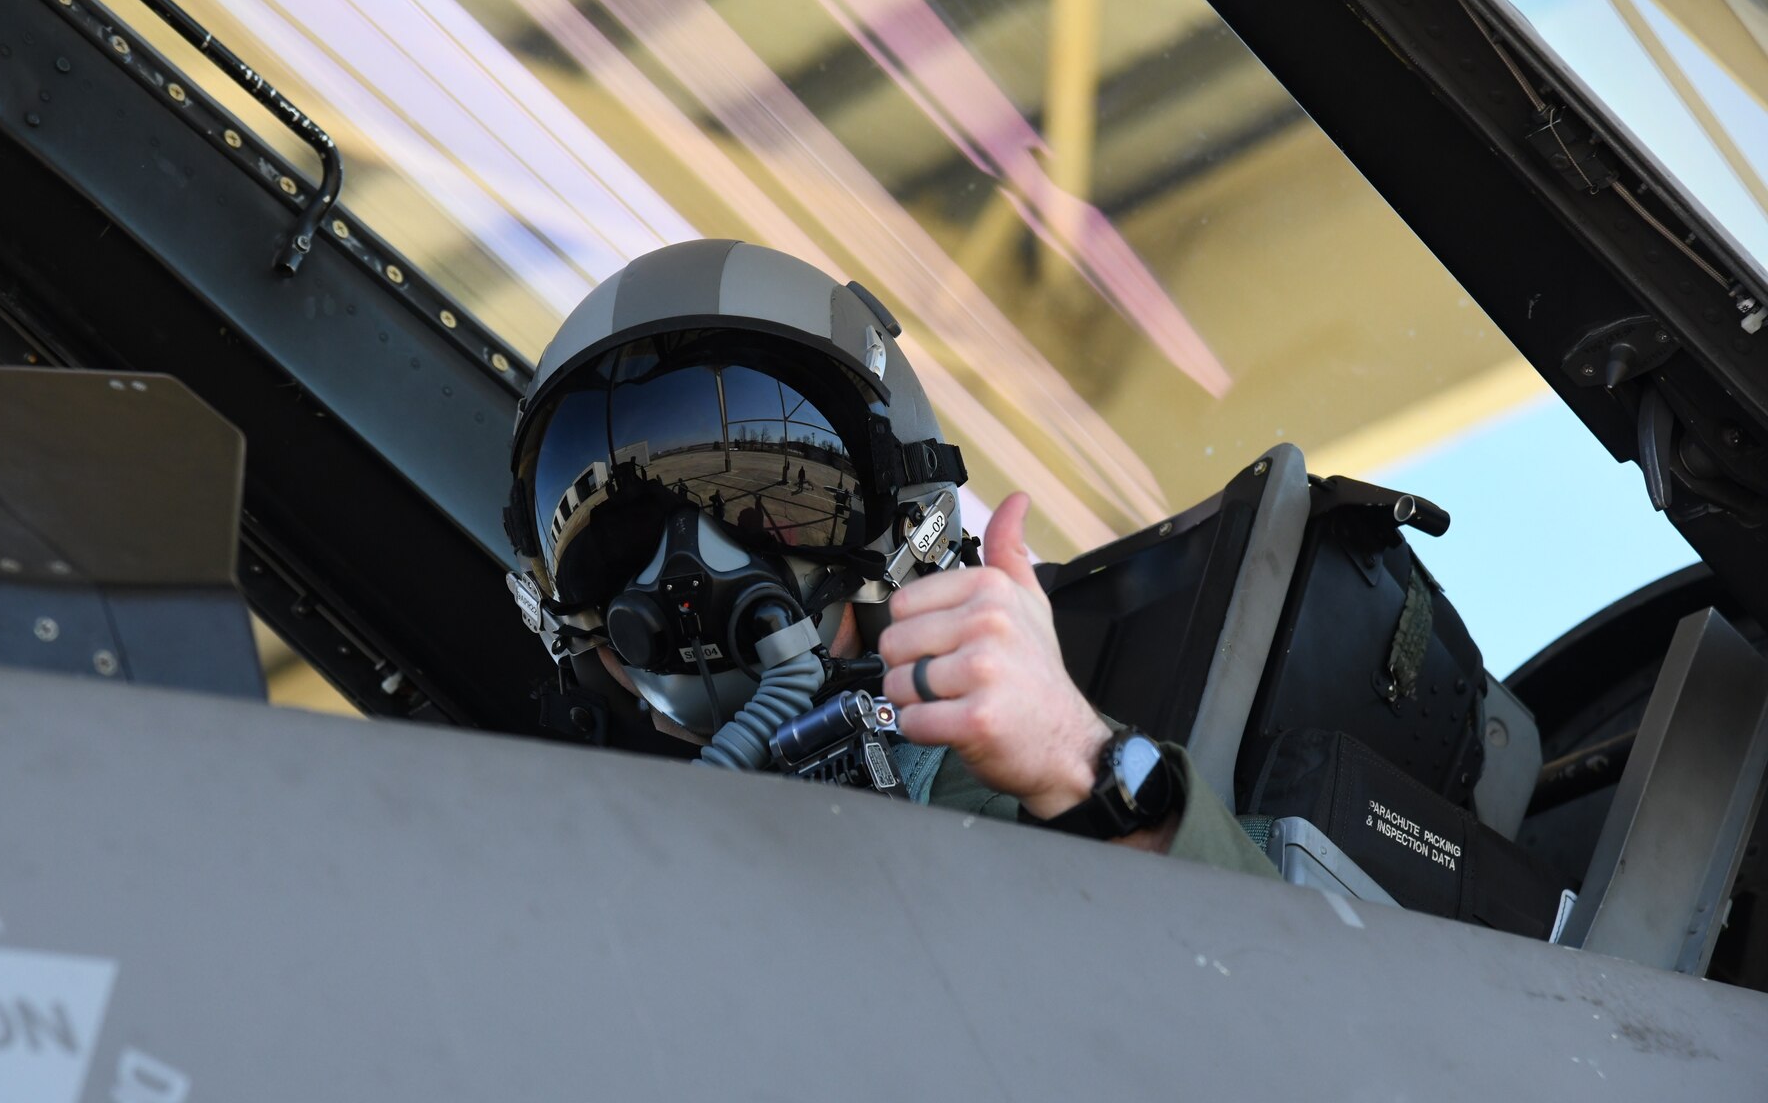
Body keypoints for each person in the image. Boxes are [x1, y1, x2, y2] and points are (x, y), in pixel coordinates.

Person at [503, 239, 1277, 880]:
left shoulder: (1017, 796)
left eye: (743, 508)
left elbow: (1275, 991)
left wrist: (1076, 762)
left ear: (908, 524)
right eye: (623, 543)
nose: (685, 572)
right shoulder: (580, 853)